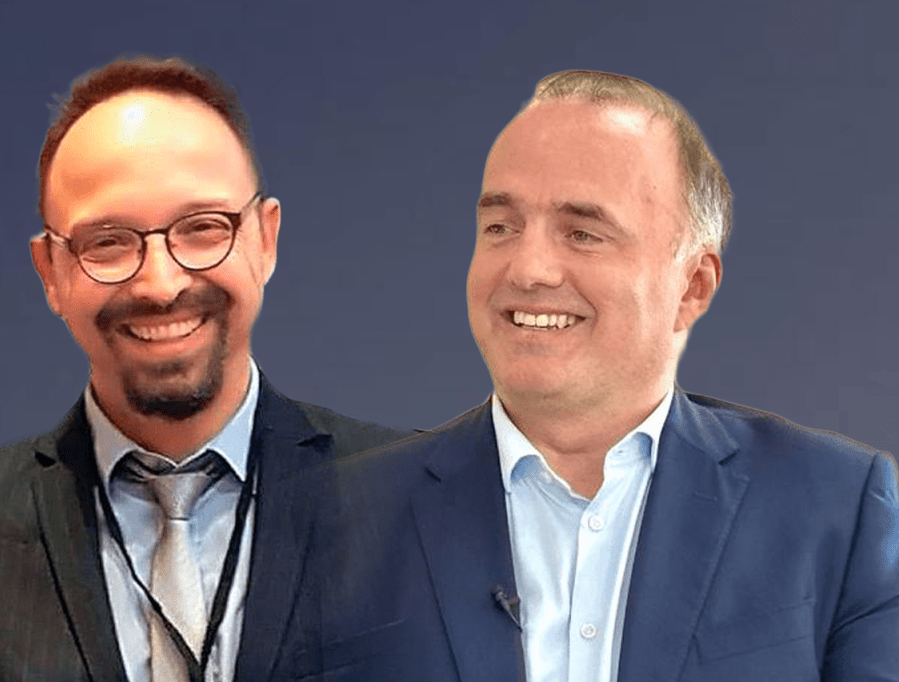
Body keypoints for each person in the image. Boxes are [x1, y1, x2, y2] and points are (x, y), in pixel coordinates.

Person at [304, 71, 899, 682]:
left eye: (583, 233)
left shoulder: (839, 507)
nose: (528, 270)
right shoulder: (331, 517)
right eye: (501, 227)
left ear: (692, 287)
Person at [0, 56, 410, 682]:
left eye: (203, 228)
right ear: (51, 272)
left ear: (265, 239)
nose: (161, 284)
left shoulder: (417, 504)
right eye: (107, 242)